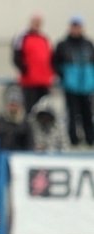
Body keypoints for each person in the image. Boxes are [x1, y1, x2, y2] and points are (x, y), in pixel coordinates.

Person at [52, 15, 94, 147]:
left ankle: (90, 139)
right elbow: (54, 62)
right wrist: (64, 75)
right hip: (70, 86)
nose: (76, 29)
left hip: (86, 85)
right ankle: (73, 140)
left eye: (78, 26)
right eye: (74, 26)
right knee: (72, 113)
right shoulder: (63, 44)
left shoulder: (88, 44)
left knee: (87, 113)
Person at [12, 14, 54, 114]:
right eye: (35, 22)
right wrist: (24, 69)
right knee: (30, 110)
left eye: (39, 22)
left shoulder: (44, 38)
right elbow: (16, 56)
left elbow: (50, 58)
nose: (37, 24)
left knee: (44, 111)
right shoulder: (23, 38)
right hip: (29, 82)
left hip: (44, 82)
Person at [0, 86, 35, 151]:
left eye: (15, 105)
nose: (13, 108)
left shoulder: (25, 124)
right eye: (11, 104)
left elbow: (29, 145)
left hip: (18, 158)